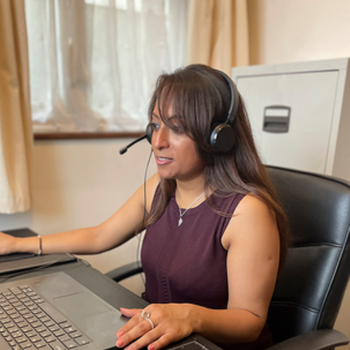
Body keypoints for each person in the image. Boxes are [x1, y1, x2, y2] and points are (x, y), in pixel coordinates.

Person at [0, 64, 290, 350]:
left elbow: (250, 322)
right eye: (155, 125)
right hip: (156, 336)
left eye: (176, 128)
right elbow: (100, 236)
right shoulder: (161, 187)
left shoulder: (247, 212)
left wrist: (190, 316)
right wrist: (18, 244)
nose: (158, 142)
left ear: (218, 137)